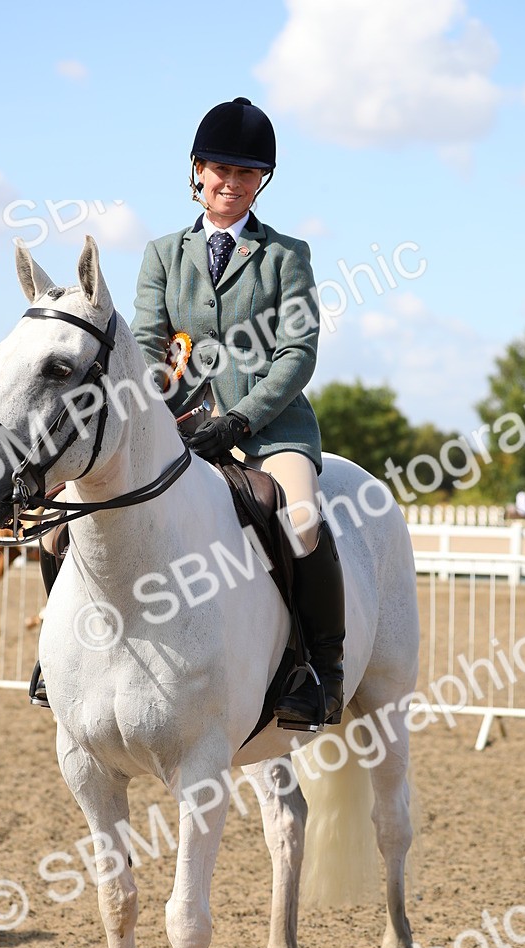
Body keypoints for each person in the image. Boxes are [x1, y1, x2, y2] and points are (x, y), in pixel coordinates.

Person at [130, 97, 344, 729]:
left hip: (270, 431)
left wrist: (242, 419)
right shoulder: (164, 255)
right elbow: (147, 346)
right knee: (72, 518)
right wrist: (163, 406)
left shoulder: (285, 256)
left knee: (302, 521)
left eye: (246, 174)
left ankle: (320, 673)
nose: (230, 184)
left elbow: (296, 352)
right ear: (197, 170)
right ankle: (59, 662)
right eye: (220, 169)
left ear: (262, 181)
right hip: (179, 430)